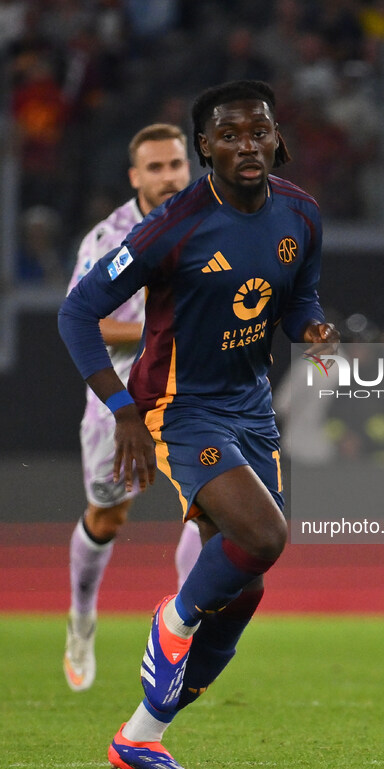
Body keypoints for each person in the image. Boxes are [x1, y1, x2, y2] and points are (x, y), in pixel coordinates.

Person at [58, 79, 339, 769]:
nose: (247, 145)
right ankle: (173, 620)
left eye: (259, 131)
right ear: (204, 148)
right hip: (179, 405)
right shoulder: (171, 226)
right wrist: (122, 409)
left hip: (250, 407)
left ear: (275, 138)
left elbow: (299, 294)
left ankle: (140, 735)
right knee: (265, 535)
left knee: (246, 589)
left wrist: (313, 330)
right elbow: (78, 314)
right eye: (230, 134)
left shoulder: (300, 213)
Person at [63, 122, 200, 693]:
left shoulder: (210, 219)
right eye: (156, 168)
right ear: (135, 177)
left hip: (190, 396)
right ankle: (81, 615)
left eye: (176, 164)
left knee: (207, 505)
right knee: (108, 516)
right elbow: (87, 320)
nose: (169, 177)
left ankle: (186, 634)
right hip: (119, 404)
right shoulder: (109, 240)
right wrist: (160, 323)